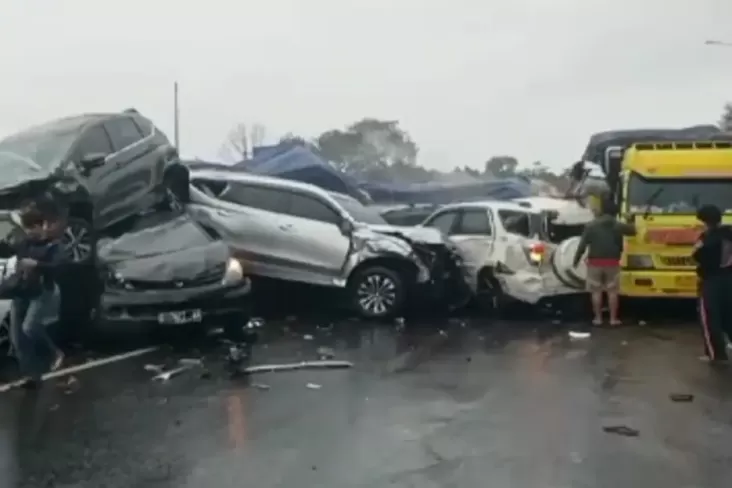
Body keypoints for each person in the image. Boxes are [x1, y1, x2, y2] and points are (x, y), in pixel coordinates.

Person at [11, 200, 67, 388]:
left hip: (41, 291)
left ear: (38, 226)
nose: (28, 232)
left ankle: (55, 353)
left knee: (30, 328)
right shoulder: (24, 243)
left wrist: (37, 266)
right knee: (17, 337)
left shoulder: (53, 245)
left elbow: (58, 268)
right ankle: (31, 375)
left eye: (31, 228)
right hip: (20, 292)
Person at [572, 198, 636, 327]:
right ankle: (613, 319)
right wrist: (630, 219)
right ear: (615, 212)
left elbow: (582, 245)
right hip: (612, 262)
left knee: (596, 291)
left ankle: (598, 319)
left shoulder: (590, 225)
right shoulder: (618, 225)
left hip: (595, 262)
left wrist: (576, 260)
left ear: (601, 211)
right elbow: (634, 231)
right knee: (612, 291)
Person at [692, 204, 732, 362]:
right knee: (729, 316)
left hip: (712, 280)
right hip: (730, 278)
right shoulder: (729, 233)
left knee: (709, 317)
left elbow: (696, 256)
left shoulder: (706, 239)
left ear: (705, 221)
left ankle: (716, 354)